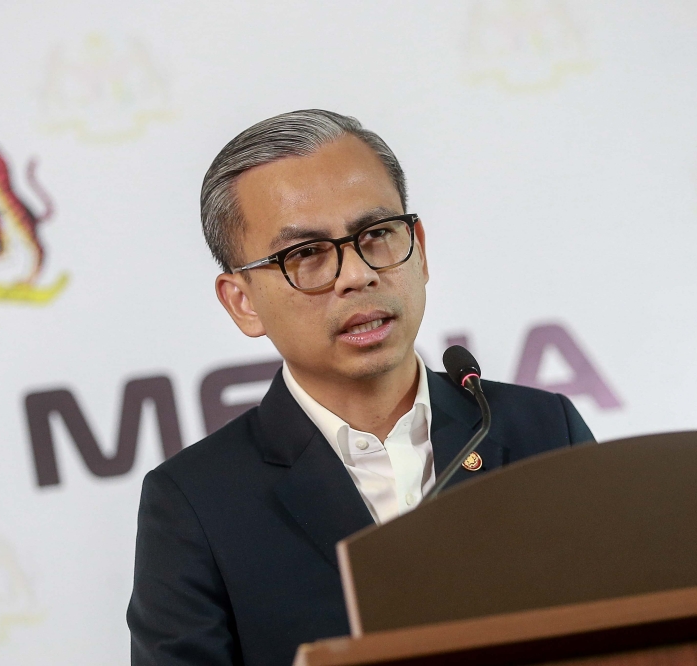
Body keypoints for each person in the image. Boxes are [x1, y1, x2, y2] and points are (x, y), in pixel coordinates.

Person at [127, 109, 593, 666]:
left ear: (418, 247)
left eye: (376, 235)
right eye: (305, 255)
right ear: (243, 302)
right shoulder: (196, 504)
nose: (357, 274)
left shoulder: (538, 431)